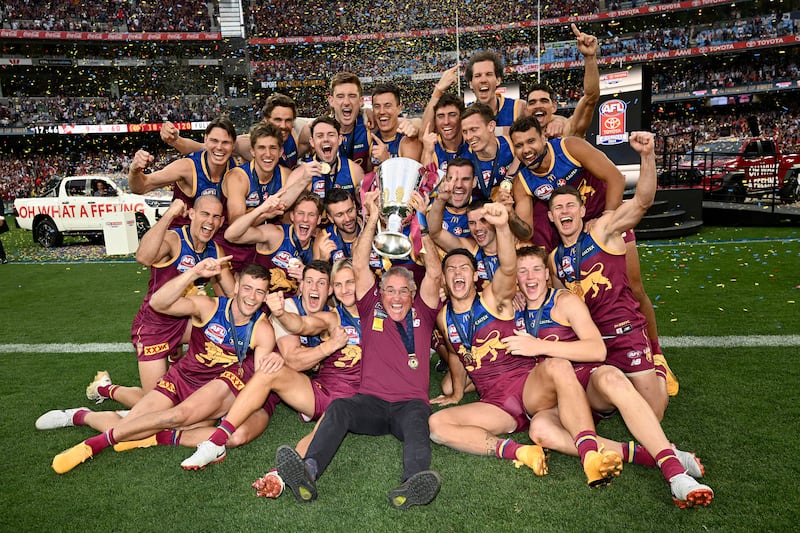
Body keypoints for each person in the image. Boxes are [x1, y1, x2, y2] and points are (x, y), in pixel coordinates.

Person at [428, 203, 622, 488]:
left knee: (557, 365)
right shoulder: (444, 317)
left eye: (464, 268)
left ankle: (590, 454)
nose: (458, 273)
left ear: (475, 275)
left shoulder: (493, 297)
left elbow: (508, 266)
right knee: (436, 426)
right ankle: (522, 452)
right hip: (496, 404)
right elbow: (459, 356)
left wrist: (503, 225)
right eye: (451, 269)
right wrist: (457, 392)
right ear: (444, 279)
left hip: (527, 387)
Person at [503, 245, 713, 508]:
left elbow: (597, 349)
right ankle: (651, 455)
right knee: (543, 418)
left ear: (547, 273)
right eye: (522, 271)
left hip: (581, 387)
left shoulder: (565, 301)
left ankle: (675, 474)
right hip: (544, 397)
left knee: (610, 378)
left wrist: (540, 346)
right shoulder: (509, 306)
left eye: (536, 269)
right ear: (515, 277)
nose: (530, 277)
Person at [273, 188, 444, 510]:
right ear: (380, 292)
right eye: (389, 290)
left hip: (409, 404)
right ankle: (308, 471)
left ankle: (413, 483)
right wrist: (370, 218)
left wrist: (421, 221)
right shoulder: (371, 308)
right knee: (339, 409)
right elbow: (361, 264)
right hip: (371, 403)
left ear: (413, 293)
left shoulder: (423, 310)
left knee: (419, 425)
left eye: (403, 291)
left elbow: (434, 272)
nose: (396, 297)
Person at [50, 260, 281, 474]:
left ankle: (93, 444)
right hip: (181, 379)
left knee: (173, 419)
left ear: (265, 295)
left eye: (259, 291)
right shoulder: (208, 306)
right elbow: (158, 303)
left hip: (212, 392)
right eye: (248, 288)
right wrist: (192, 273)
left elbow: (259, 381)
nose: (252, 297)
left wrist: (272, 366)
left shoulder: (262, 330)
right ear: (237, 286)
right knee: (128, 427)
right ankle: (81, 415)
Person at [180, 258, 361, 470]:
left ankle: (278, 475)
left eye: (348, 283)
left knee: (216, 425)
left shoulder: (368, 315)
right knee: (186, 414)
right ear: (301, 285)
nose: (344, 289)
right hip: (256, 373)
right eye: (339, 284)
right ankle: (215, 441)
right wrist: (282, 313)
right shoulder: (329, 316)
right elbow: (301, 329)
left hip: (350, 401)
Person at [546, 132, 668, 419]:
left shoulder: (604, 231)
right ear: (551, 217)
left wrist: (647, 156)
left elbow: (642, 202)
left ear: (582, 210)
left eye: (570, 206)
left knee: (654, 413)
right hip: (591, 343)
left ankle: (658, 368)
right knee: (596, 406)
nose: (564, 211)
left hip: (624, 332)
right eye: (558, 208)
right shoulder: (553, 259)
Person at [79, 196, 236, 411]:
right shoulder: (174, 239)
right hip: (156, 325)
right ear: (192, 215)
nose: (210, 221)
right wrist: (170, 214)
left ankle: (187, 366)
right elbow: (143, 257)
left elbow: (233, 293)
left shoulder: (214, 251)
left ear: (221, 221)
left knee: (223, 330)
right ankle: (104, 388)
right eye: (205, 214)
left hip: (186, 321)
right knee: (158, 406)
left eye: (216, 217)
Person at [129, 117, 238, 230]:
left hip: (220, 237)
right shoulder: (187, 168)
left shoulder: (238, 168)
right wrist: (134, 170)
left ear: (234, 145)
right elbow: (141, 187)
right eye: (214, 141)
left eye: (225, 142)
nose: (219, 147)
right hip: (183, 237)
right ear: (205, 140)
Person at [160, 93, 310, 169]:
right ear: (265, 119)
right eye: (277, 120)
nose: (283, 125)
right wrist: (175, 140)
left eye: (288, 120)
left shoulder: (296, 137)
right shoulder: (247, 143)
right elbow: (203, 147)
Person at [225, 191, 322, 295]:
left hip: (289, 307)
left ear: (319, 219)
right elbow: (230, 235)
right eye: (300, 213)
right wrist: (261, 211)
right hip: (256, 301)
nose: (305, 219)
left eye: (311, 215)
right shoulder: (276, 234)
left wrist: (307, 278)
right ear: (292, 216)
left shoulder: (318, 248)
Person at [524, 24, 599, 139]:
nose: (538, 105)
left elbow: (590, 98)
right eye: (532, 102)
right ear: (526, 110)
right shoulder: (518, 139)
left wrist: (589, 57)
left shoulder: (566, 132)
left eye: (544, 101)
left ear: (553, 107)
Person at [303, 116, 364, 201]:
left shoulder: (354, 170)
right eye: (320, 136)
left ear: (339, 139)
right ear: (312, 142)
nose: (326, 139)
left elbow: (364, 206)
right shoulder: (302, 172)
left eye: (331, 135)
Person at [465, 50, 525, 130]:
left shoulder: (518, 108)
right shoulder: (464, 114)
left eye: (489, 74)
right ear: (471, 84)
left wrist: (548, 123)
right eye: (477, 76)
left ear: (498, 80)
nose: (483, 80)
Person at [370, 83, 422, 164]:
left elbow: (409, 175)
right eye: (377, 106)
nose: (382, 111)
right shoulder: (370, 137)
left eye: (388, 106)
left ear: (399, 109)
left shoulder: (408, 140)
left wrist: (387, 161)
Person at [421, 91, 469, 174]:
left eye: (452, 115)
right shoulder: (432, 148)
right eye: (441, 116)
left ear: (462, 117)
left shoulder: (472, 143)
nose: (446, 122)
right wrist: (428, 153)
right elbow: (426, 184)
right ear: (435, 121)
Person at [314, 188, 363, 262]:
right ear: (330, 218)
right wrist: (323, 259)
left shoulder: (370, 227)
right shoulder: (324, 239)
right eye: (340, 215)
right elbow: (314, 273)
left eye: (350, 211)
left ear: (355, 206)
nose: (347, 219)